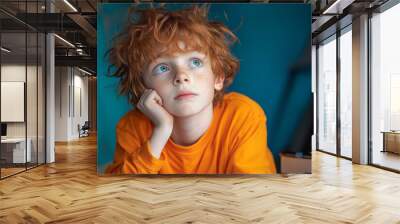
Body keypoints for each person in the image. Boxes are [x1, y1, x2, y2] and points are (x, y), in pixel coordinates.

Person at [105, 5, 276, 174]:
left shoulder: (243, 115)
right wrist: (161, 131)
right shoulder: (132, 127)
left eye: (195, 62)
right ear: (144, 87)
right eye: (162, 68)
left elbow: (252, 194)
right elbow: (121, 192)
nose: (181, 76)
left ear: (218, 78)